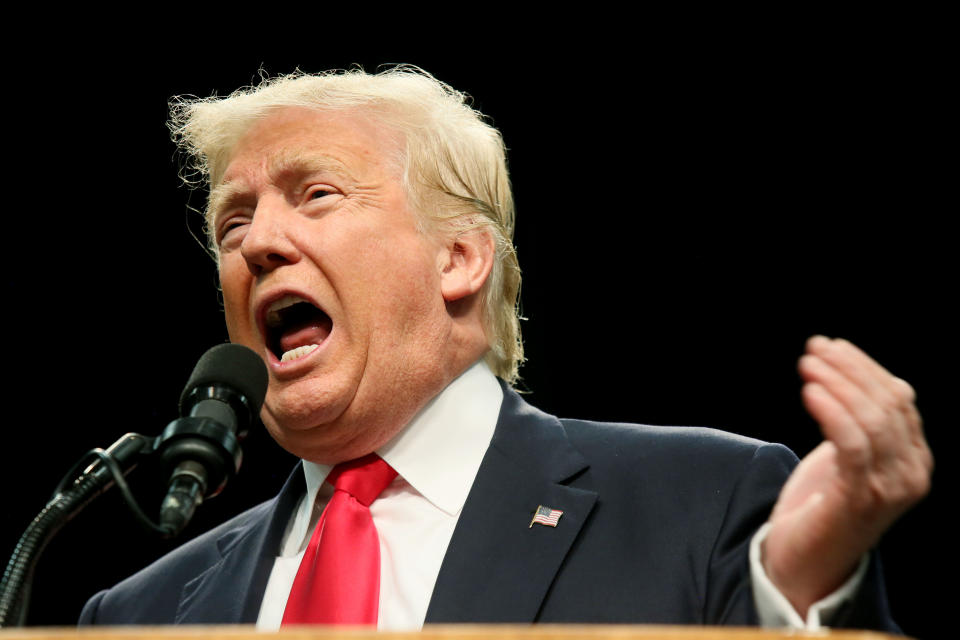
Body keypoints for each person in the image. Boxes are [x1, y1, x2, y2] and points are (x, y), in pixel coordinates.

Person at [79, 67, 931, 631]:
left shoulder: (700, 507)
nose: (259, 242)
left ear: (459, 258)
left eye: (317, 194)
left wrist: (805, 595)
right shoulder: (138, 615)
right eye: (233, 220)